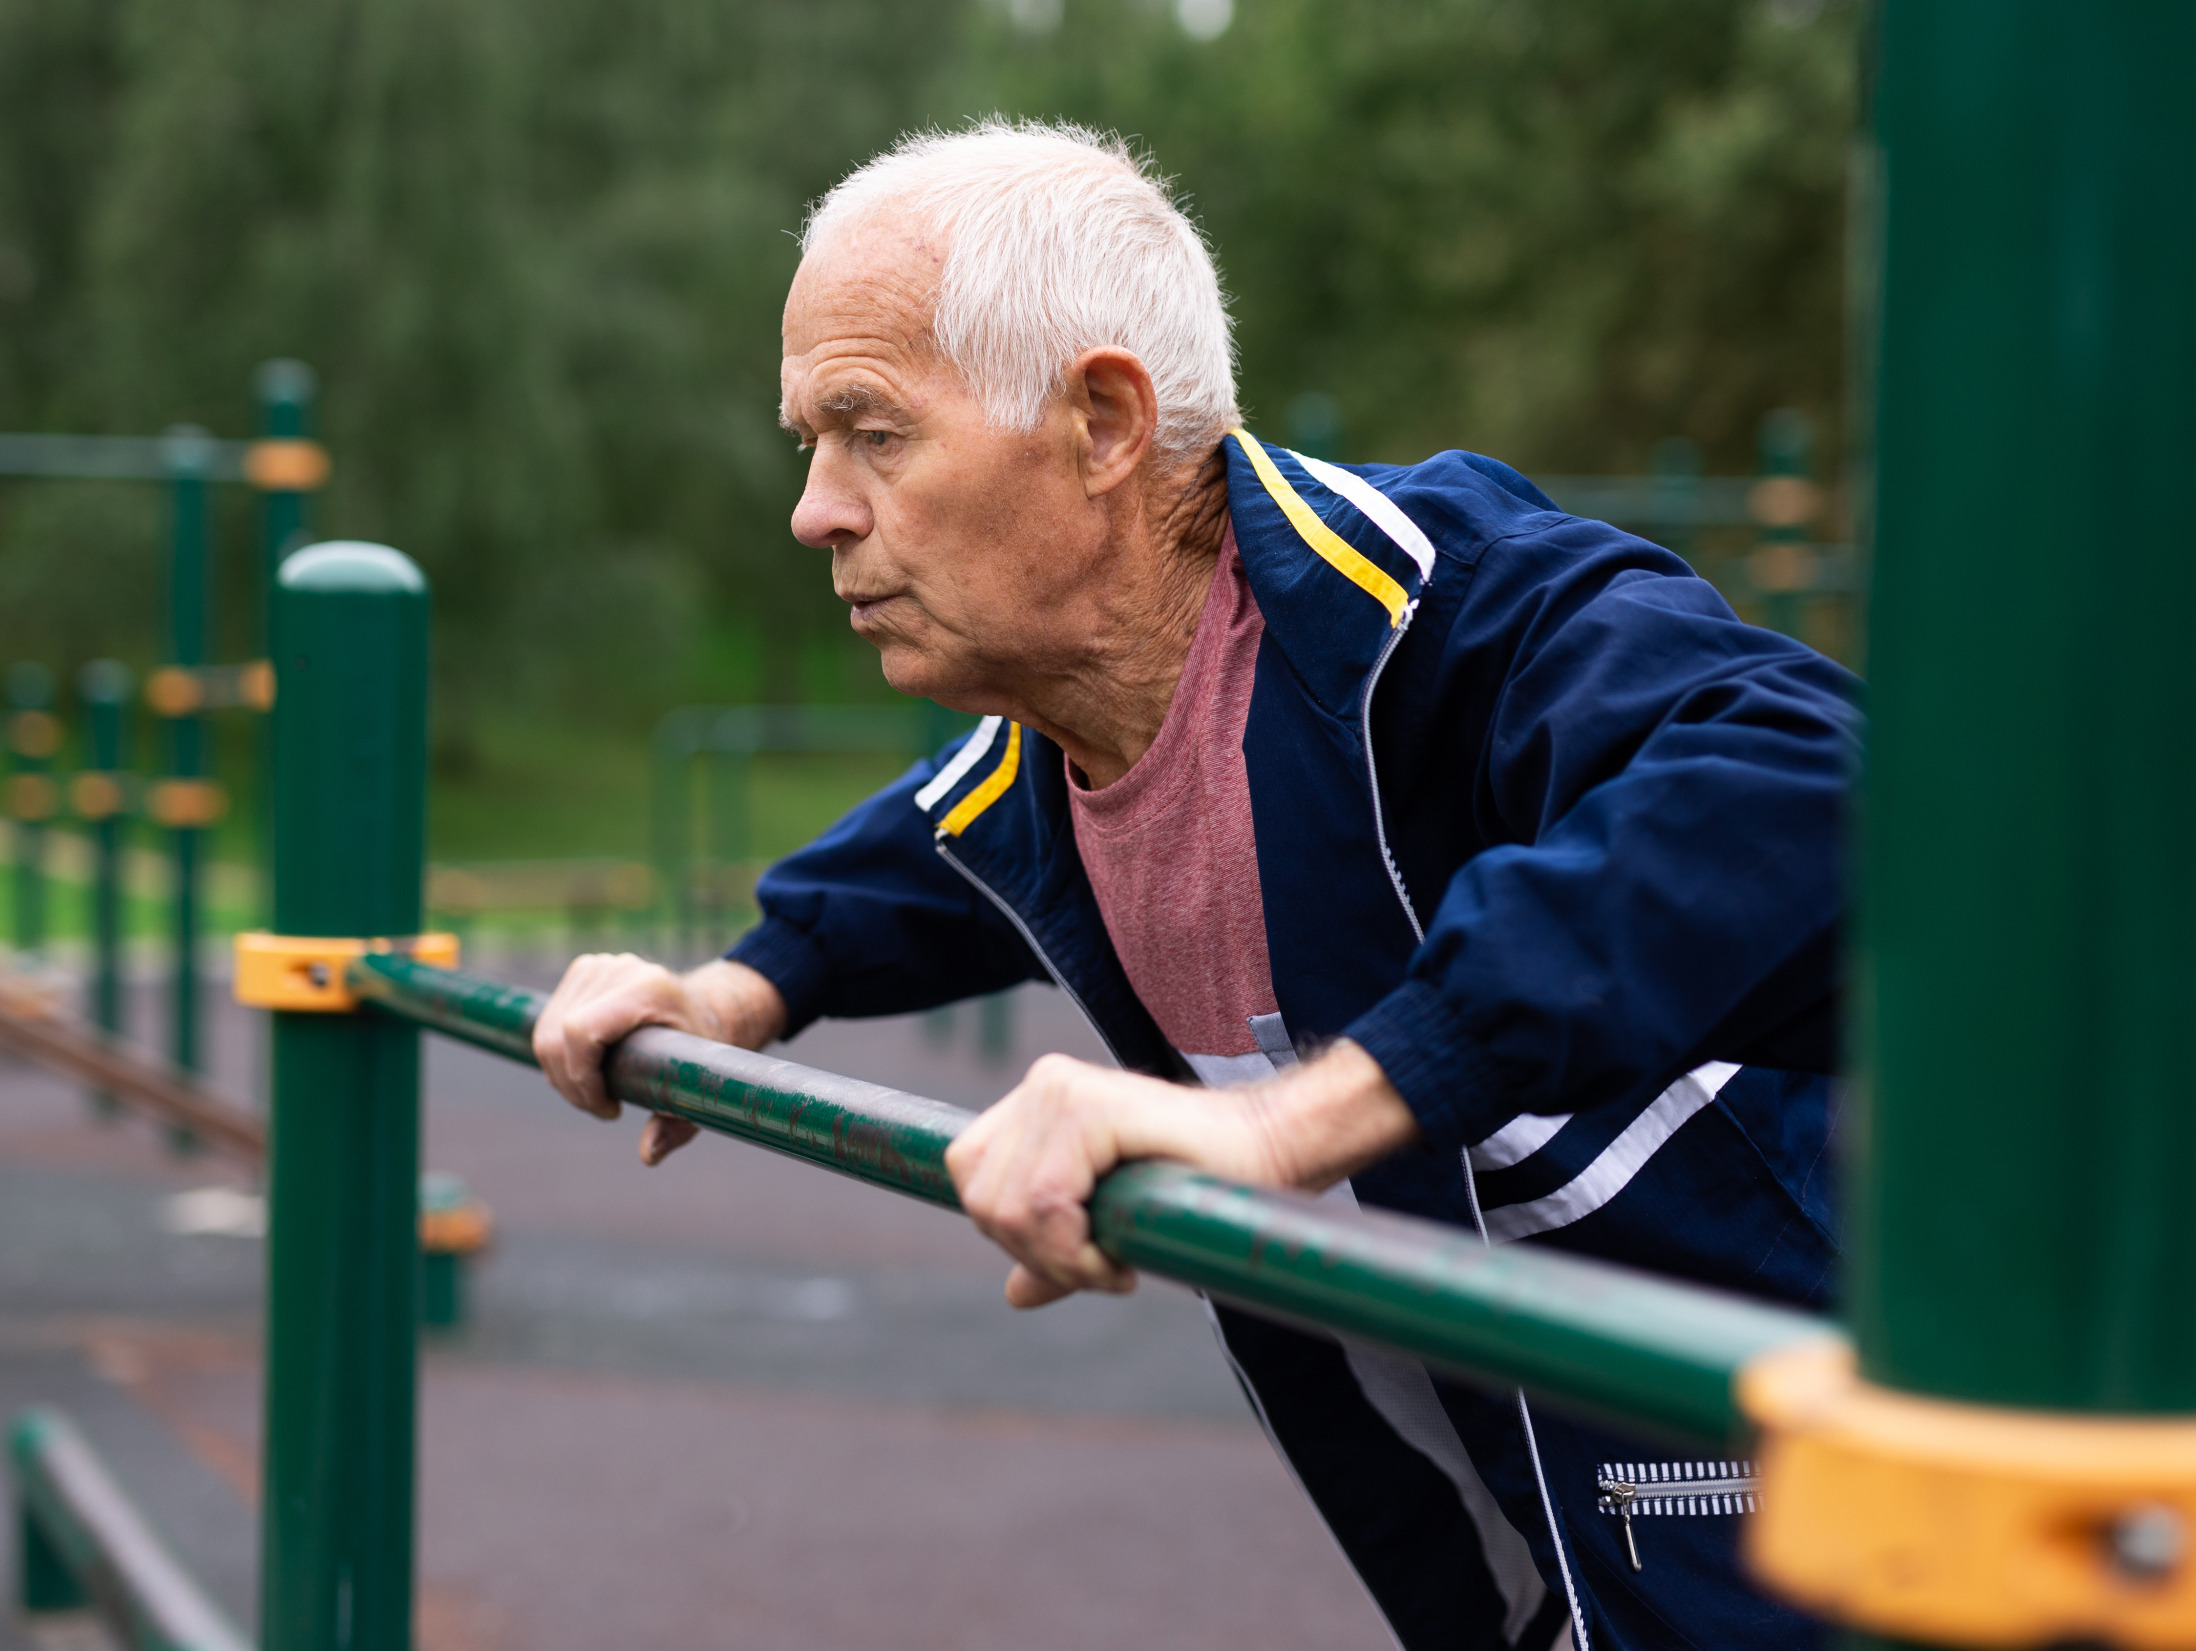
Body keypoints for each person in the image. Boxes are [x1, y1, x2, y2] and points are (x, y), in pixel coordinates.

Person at [532, 119, 1853, 1651]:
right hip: (1537, 1565)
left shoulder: (1431, 610)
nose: (815, 509)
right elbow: (943, 835)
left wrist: (1276, 1126)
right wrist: (739, 988)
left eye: (872, 431)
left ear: (1102, 423)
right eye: (808, 445)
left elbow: (1816, 780)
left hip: (1841, 1525)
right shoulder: (1070, 741)